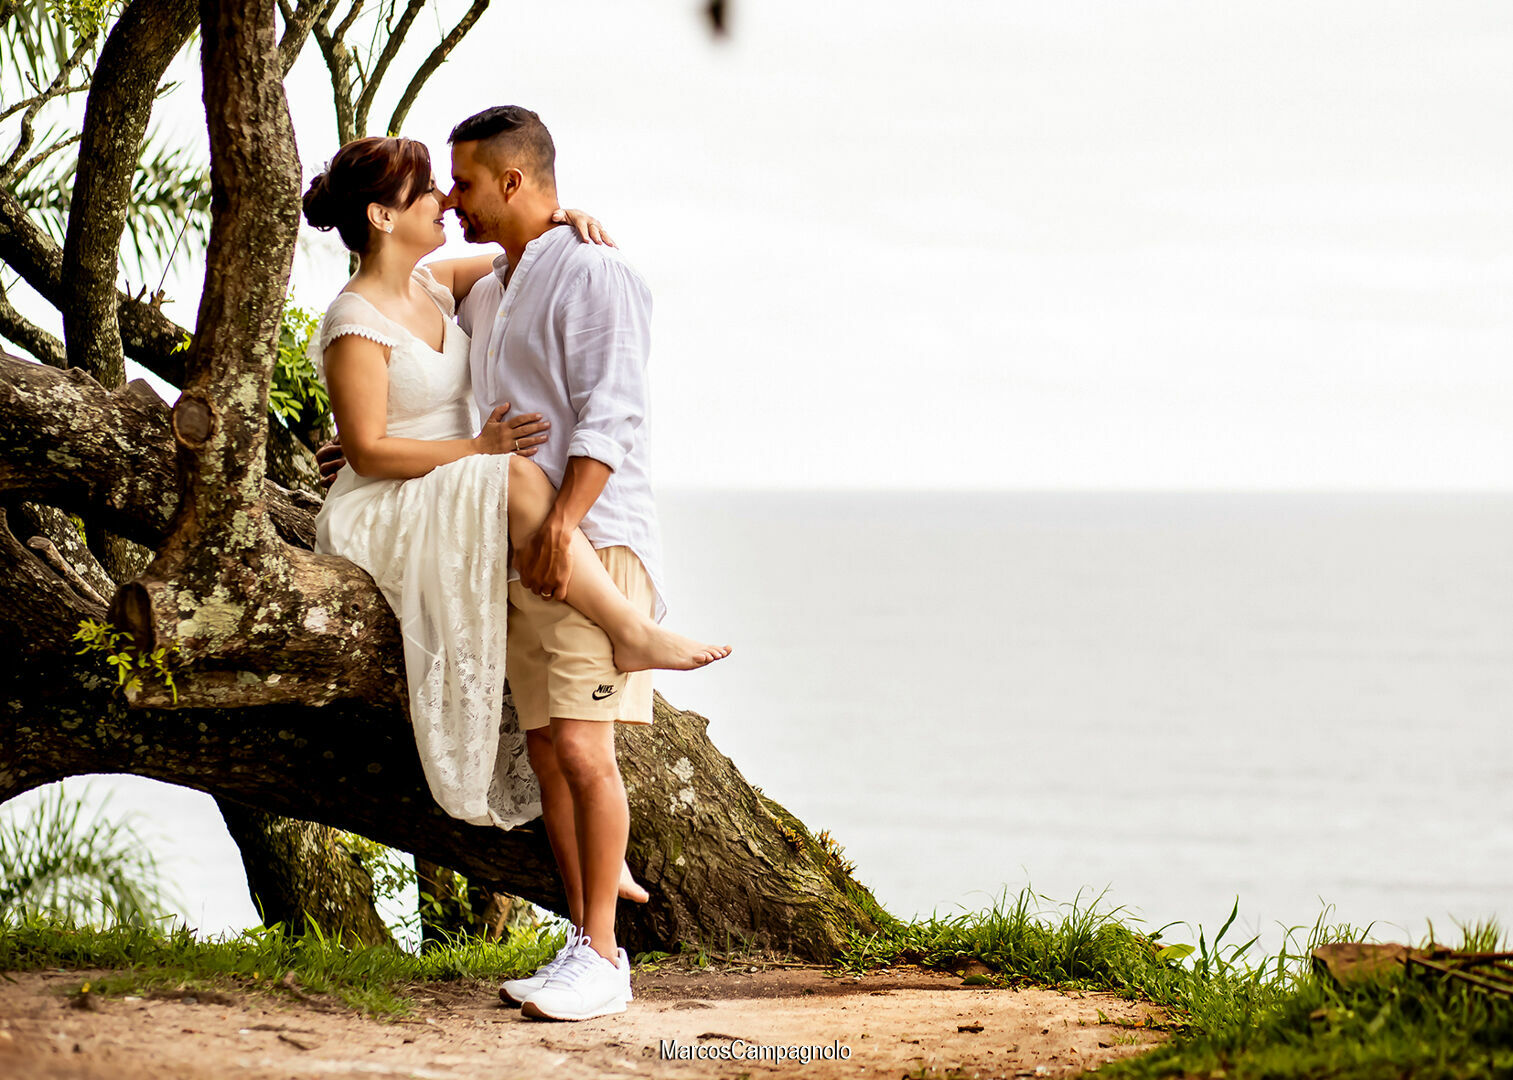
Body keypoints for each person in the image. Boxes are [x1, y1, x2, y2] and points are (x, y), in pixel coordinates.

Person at [301, 136, 729, 942]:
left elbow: (521, 253)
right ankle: (629, 628)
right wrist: (477, 448)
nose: (445, 201)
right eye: (427, 192)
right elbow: (367, 449)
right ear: (382, 217)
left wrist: (568, 218)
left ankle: (595, 915)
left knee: (564, 739)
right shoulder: (353, 317)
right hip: (395, 498)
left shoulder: (435, 284)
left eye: (452, 187)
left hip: (451, 488)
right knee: (522, 479)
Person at [437, 105, 690, 1023]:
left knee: (585, 750)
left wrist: (563, 525)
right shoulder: (493, 288)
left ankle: (607, 960)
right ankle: (583, 942)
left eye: (465, 183)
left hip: (591, 541)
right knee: (547, 753)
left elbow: (613, 412)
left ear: (512, 180)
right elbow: (413, 278)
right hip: (518, 547)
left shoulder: (597, 272)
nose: (451, 201)